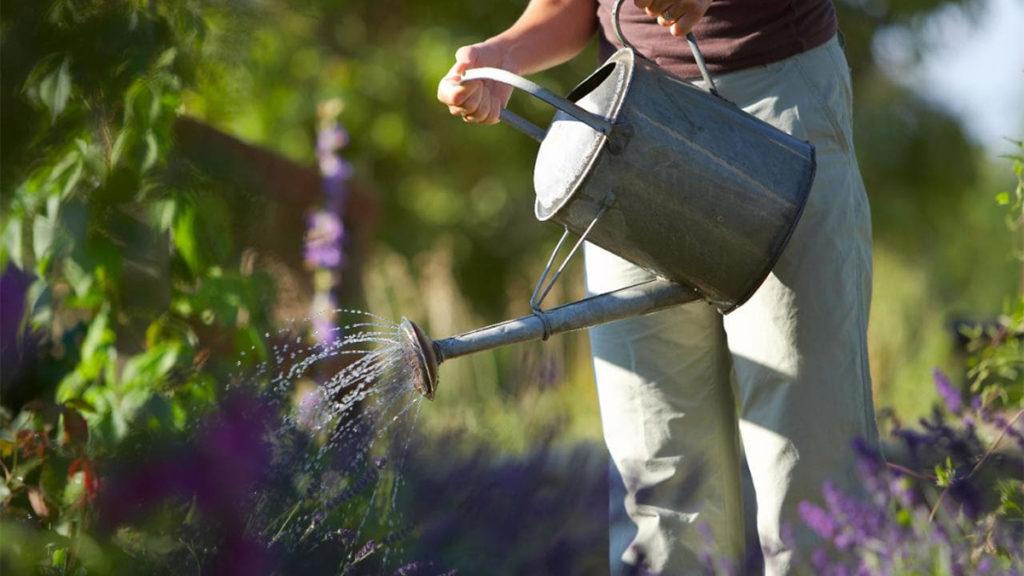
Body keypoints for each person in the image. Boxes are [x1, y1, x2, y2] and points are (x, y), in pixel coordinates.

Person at [437, 1, 879, 574]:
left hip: (774, 101)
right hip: (626, 124)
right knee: (662, 488)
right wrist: (503, 55)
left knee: (809, 467)